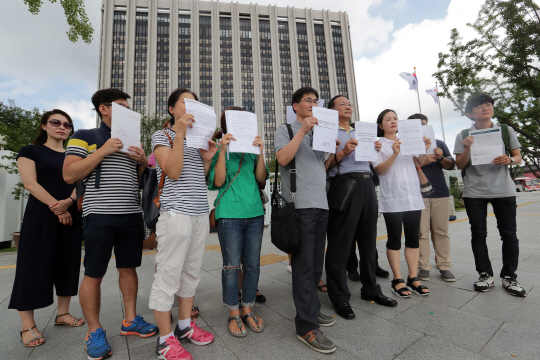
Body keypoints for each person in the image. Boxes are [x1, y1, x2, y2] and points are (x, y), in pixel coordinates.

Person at [63, 89, 156, 360]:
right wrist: (103, 150)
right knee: (94, 273)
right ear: (103, 109)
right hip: (99, 214)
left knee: (129, 268)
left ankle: (130, 321)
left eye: (129, 106)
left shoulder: (131, 139)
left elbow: (137, 180)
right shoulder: (85, 136)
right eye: (121, 106)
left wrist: (141, 162)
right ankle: (94, 330)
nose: (128, 110)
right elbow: (69, 174)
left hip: (130, 213)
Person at [150, 88, 216, 360]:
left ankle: (185, 326)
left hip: (200, 212)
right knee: (168, 274)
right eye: (186, 103)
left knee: (191, 272)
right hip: (176, 213)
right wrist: (179, 134)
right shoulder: (162, 135)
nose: (192, 108)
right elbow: (173, 171)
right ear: (171, 109)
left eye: (195, 104)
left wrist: (208, 159)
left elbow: (197, 178)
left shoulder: (197, 139)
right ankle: (165, 340)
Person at [9, 110, 84, 348]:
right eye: (56, 122)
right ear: (43, 125)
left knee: (68, 263)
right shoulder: (30, 151)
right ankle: (27, 326)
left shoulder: (74, 155)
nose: (62, 127)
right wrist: (57, 208)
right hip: (41, 215)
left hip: (71, 214)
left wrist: (69, 203)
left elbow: (81, 181)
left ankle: (63, 314)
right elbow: (30, 183)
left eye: (67, 124)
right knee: (32, 266)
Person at [274, 87, 337, 354]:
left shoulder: (319, 132)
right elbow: (282, 158)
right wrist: (302, 130)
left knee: (314, 265)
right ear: (296, 106)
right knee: (302, 266)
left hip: (320, 204)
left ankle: (311, 309)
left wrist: (335, 149)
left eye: (316, 101)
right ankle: (306, 326)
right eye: (308, 101)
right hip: (299, 205)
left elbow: (321, 166)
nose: (313, 104)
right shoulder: (286, 129)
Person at [325, 96, 397, 321]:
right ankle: (339, 297)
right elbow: (324, 166)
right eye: (342, 104)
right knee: (340, 243)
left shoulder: (360, 131)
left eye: (349, 104)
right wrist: (343, 153)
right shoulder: (327, 132)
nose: (348, 106)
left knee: (368, 241)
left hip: (367, 183)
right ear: (331, 110)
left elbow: (369, 162)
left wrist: (373, 150)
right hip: (344, 185)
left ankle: (371, 289)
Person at [454, 94, 526, 297]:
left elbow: (518, 156)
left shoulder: (505, 130)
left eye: (488, 104)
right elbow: (459, 164)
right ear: (470, 113)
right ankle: (485, 274)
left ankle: (509, 276)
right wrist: (467, 147)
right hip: (474, 191)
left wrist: (509, 160)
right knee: (478, 234)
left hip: (503, 189)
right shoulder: (463, 134)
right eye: (479, 106)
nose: (485, 108)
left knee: (509, 234)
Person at [208, 106, 268, 337]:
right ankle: (233, 313)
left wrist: (261, 152)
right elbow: (218, 181)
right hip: (229, 215)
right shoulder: (218, 148)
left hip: (254, 212)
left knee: (252, 265)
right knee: (231, 267)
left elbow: (260, 178)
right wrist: (222, 151)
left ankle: (248, 309)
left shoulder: (251, 148)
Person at [373, 109, 431, 298]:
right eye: (388, 119)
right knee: (394, 238)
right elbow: (379, 170)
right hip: (393, 198)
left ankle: (413, 278)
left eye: (395, 118)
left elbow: (420, 162)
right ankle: (397, 279)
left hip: (413, 197)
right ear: (381, 125)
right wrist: (394, 153)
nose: (393, 121)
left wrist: (425, 147)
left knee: (413, 238)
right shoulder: (379, 144)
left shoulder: (409, 139)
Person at [408, 113, 456, 282]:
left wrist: (441, 156)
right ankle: (423, 266)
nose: (421, 127)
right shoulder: (406, 146)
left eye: (423, 124)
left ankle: (444, 265)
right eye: (416, 125)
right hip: (417, 194)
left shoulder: (439, 143)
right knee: (421, 232)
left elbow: (450, 165)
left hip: (440, 192)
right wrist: (423, 161)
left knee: (441, 232)